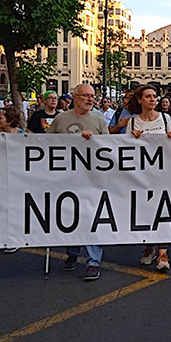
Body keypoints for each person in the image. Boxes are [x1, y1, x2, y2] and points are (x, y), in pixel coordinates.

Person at [47, 84, 110, 280]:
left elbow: (109, 148)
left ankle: (93, 261)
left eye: (92, 96)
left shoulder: (98, 120)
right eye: (86, 96)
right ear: (75, 97)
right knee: (70, 216)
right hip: (67, 177)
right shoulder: (61, 119)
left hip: (92, 178)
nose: (91, 99)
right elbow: (46, 143)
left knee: (92, 217)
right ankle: (73, 253)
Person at [128, 85, 171, 271]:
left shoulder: (165, 118)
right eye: (148, 96)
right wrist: (133, 138)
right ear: (140, 100)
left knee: (163, 211)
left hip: (163, 173)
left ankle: (163, 252)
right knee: (146, 212)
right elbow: (126, 149)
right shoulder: (132, 122)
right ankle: (149, 247)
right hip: (142, 175)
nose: (152, 99)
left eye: (154, 96)